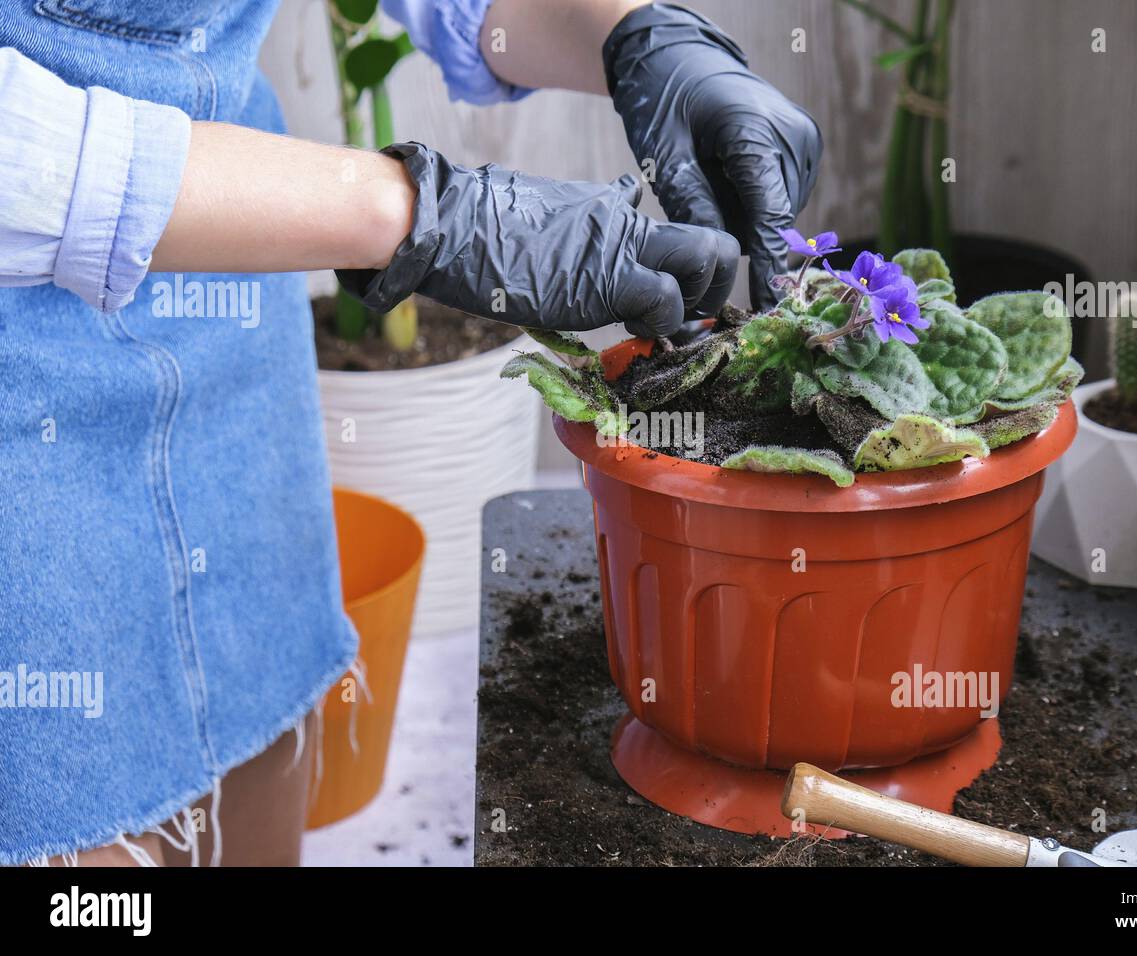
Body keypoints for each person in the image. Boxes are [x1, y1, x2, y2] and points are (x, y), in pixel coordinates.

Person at [0, 0, 821, 866]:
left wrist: (639, 40)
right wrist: (421, 217)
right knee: (73, 823)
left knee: (253, 764)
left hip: (226, 275)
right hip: (24, 385)